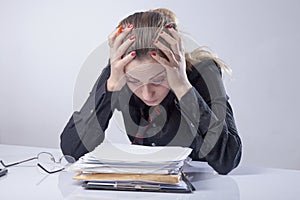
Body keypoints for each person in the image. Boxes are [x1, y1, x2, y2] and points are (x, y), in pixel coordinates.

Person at [60, 8, 242, 175]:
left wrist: (181, 87)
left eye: (158, 80)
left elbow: (227, 160)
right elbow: (72, 150)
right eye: (134, 81)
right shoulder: (118, 72)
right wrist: (112, 86)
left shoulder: (204, 72)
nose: (147, 94)